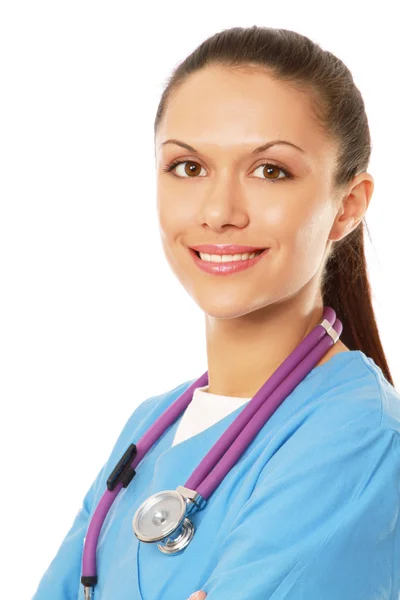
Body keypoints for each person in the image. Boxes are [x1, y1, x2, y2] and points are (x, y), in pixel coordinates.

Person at [32, 25, 400, 600]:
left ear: (347, 206)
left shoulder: (358, 435)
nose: (219, 212)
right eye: (189, 167)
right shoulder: (149, 428)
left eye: (269, 171)